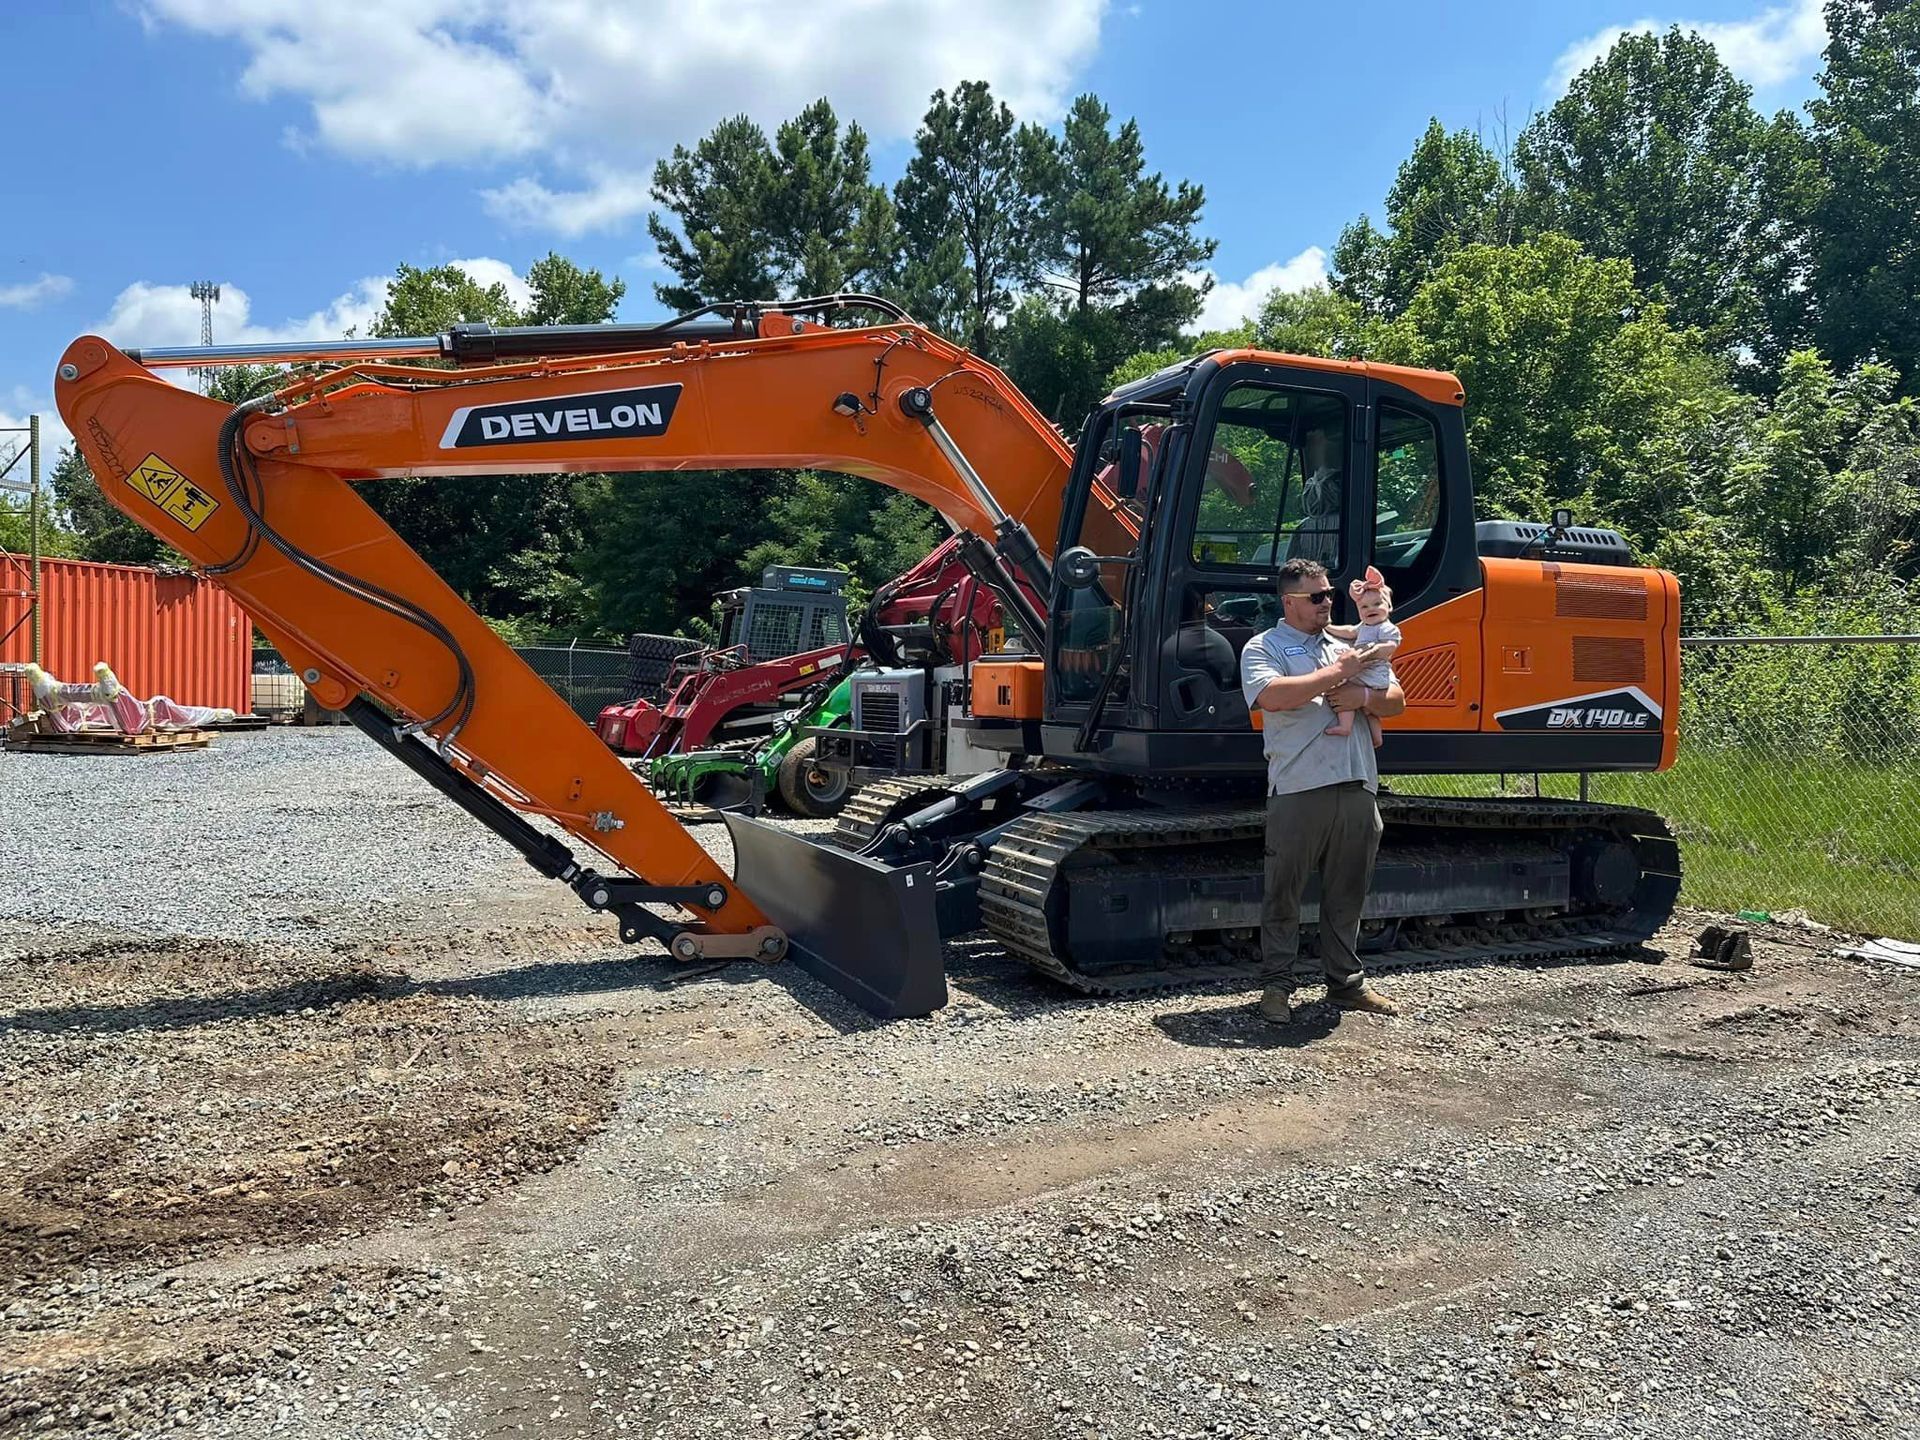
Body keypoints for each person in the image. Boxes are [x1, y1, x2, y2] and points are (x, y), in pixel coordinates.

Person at [1239, 557, 1406, 1024]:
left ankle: (1345, 984)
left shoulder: (1351, 641)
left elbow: (1397, 700)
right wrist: (1339, 675)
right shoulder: (1263, 647)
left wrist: (1364, 698)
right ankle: (1277, 987)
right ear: (1289, 601)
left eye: (1329, 593)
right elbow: (1272, 696)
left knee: (1347, 891)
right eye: (1316, 596)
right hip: (1299, 786)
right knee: (1283, 892)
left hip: (1356, 783)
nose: (1327, 602)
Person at [1323, 566, 1402, 748]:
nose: (1370, 609)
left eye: (1376, 604)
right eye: (1364, 606)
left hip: (1373, 673)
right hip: (1366, 672)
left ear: (1388, 606)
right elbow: (1350, 631)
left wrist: (1373, 650)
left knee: (1344, 689)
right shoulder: (1364, 626)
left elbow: (1391, 646)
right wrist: (1329, 627)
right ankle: (1376, 738)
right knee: (1370, 713)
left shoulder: (1386, 627)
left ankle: (1345, 726)